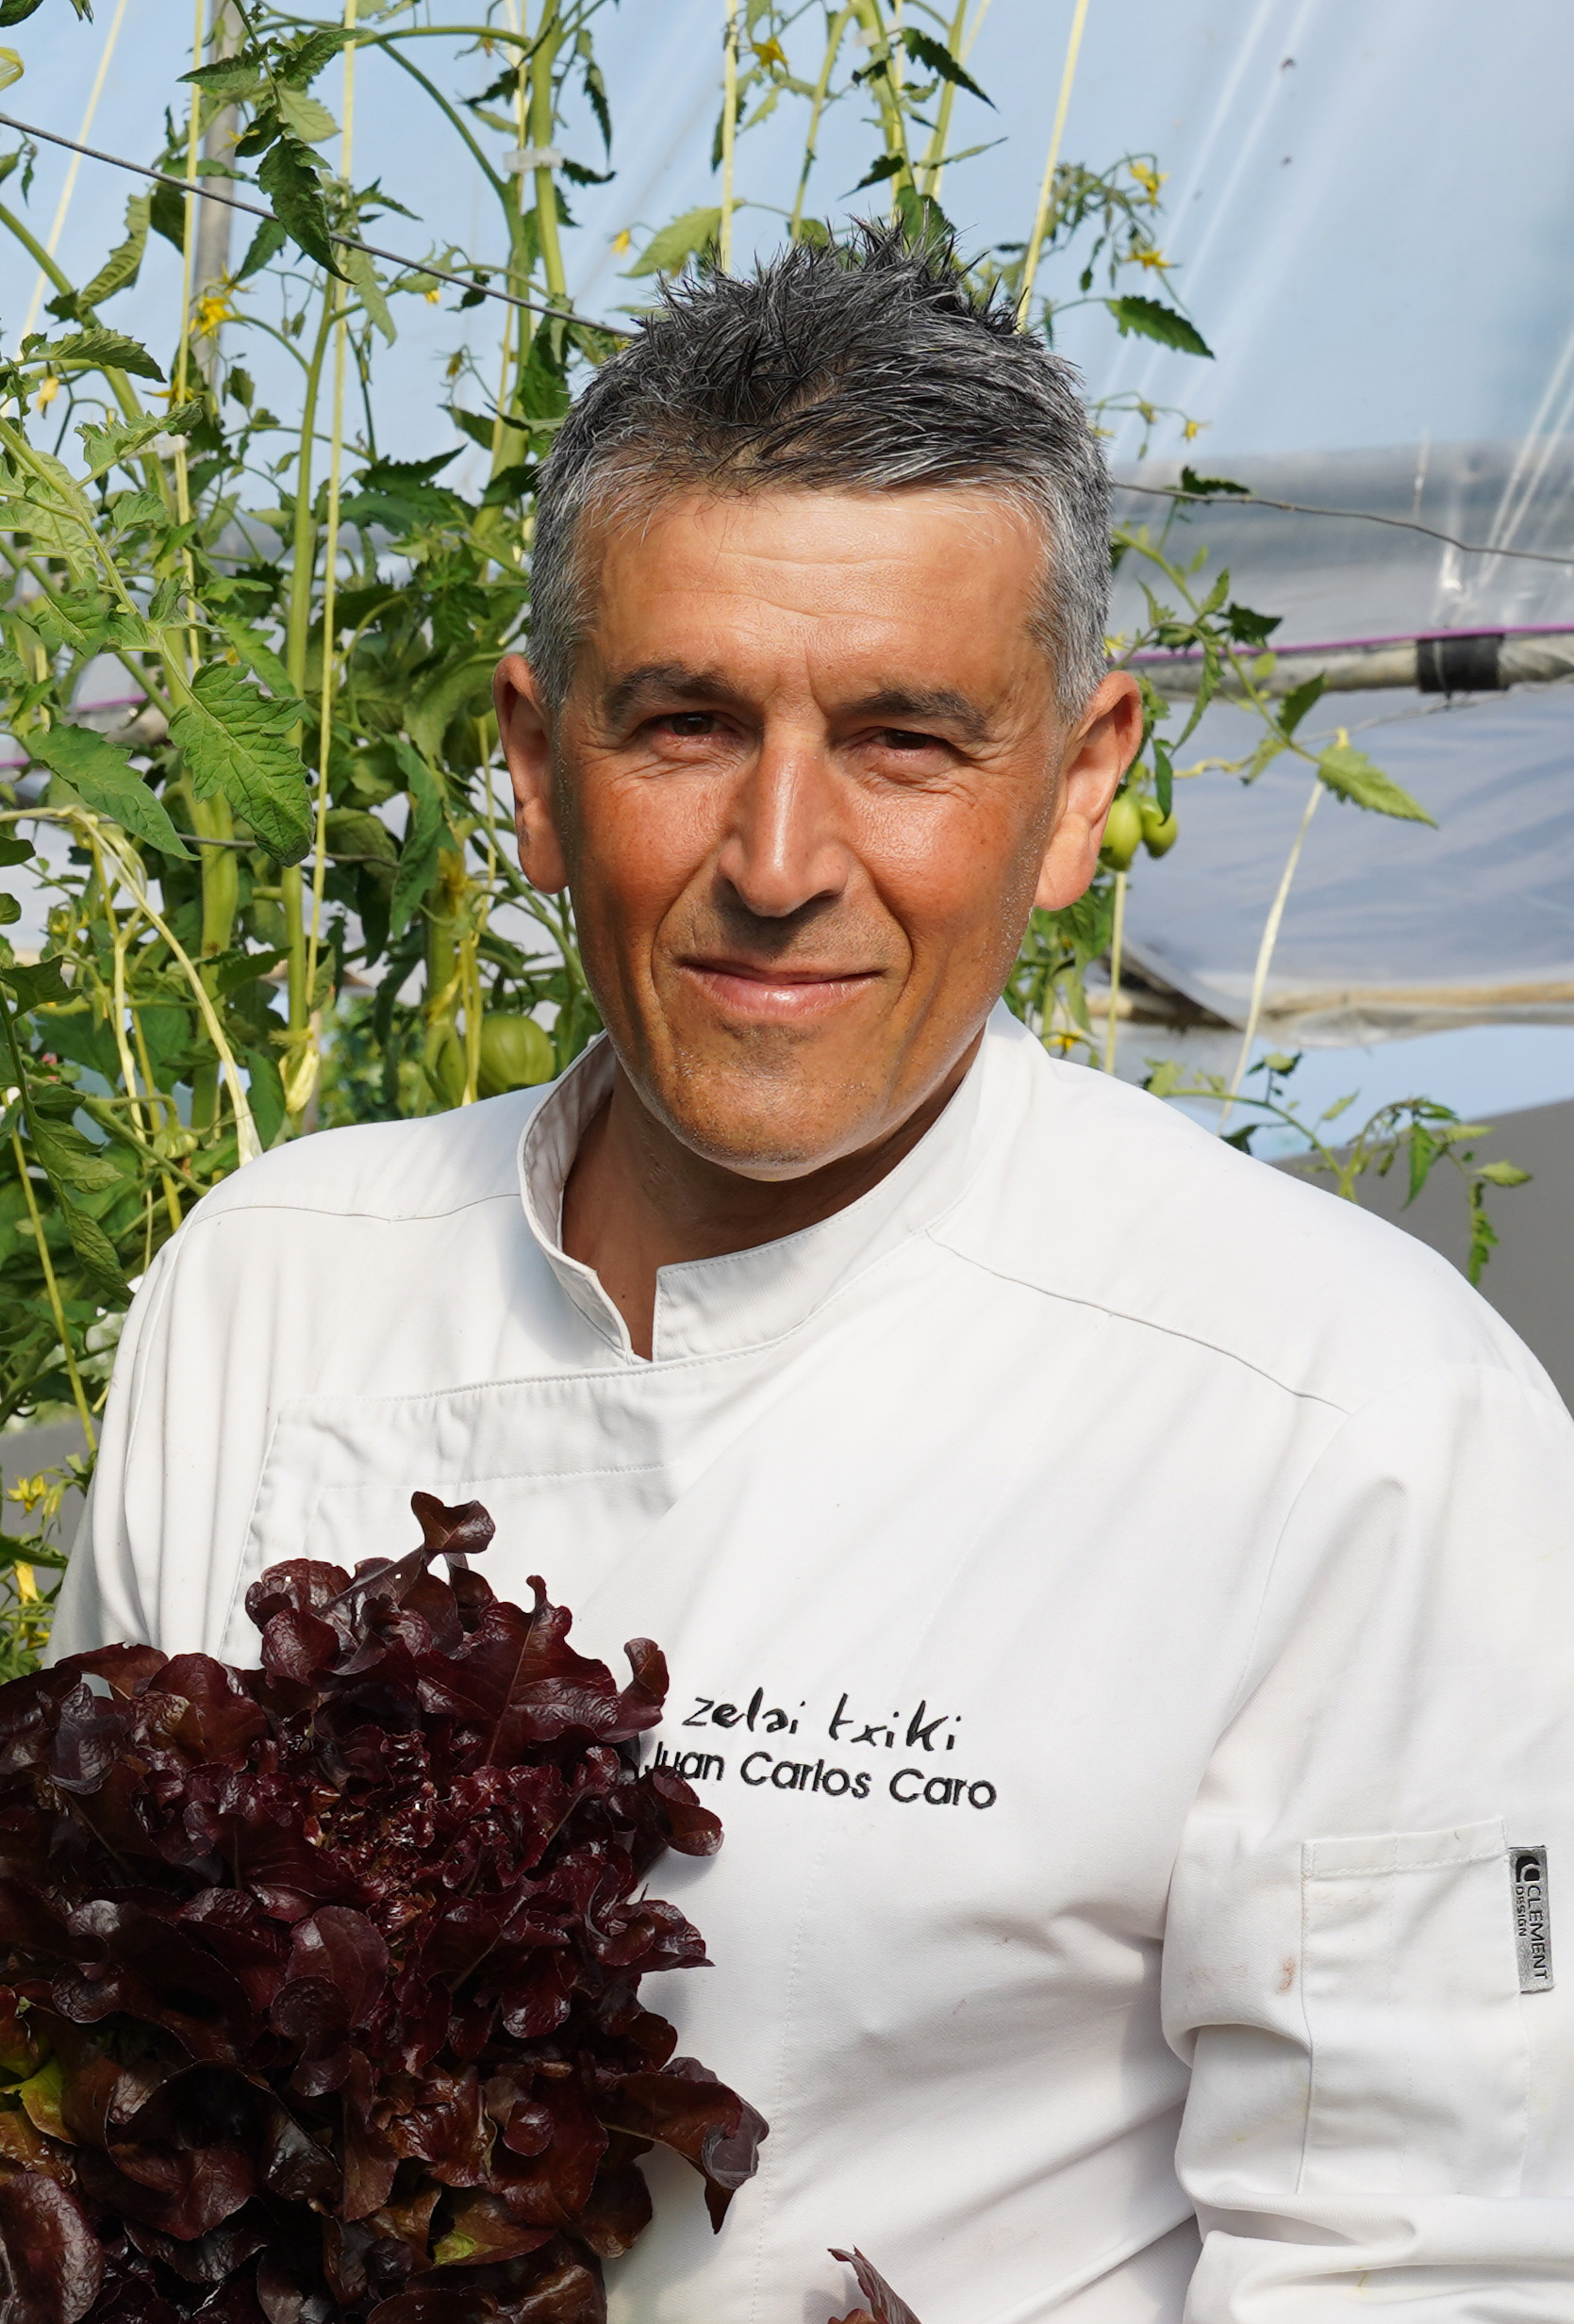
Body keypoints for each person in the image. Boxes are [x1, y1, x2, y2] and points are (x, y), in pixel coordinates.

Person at [53, 230, 1574, 2323]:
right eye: (682, 723)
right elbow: (110, 2087)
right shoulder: (276, 1287)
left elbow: (1424, 2268)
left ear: (1078, 786)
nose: (779, 859)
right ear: (530, 764)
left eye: (903, 740)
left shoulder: (1354, 1418)